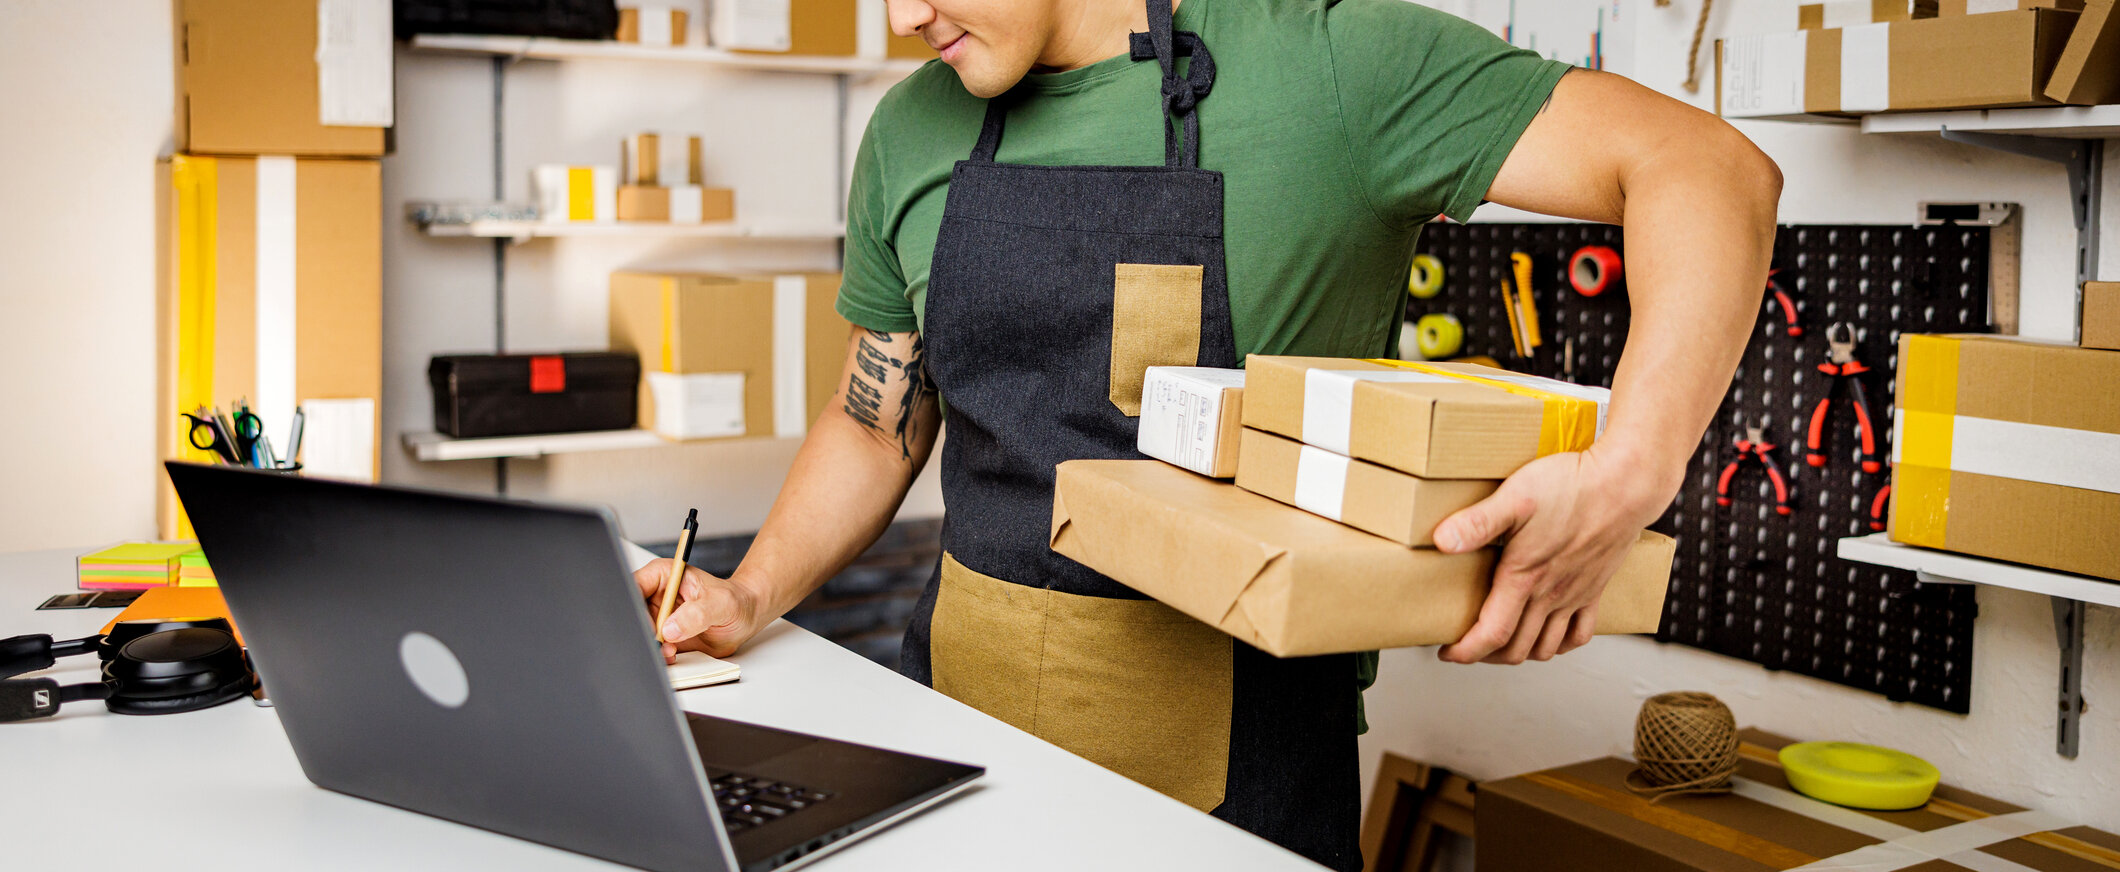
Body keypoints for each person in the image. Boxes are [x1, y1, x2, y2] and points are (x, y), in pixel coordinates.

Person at [636, 0, 1780, 867]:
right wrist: (748, 593)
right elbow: (877, 414)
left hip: (1231, 805)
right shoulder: (909, 125)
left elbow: (1705, 167)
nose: (900, 18)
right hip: (953, 765)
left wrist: (1628, 468)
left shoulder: (1329, 68)